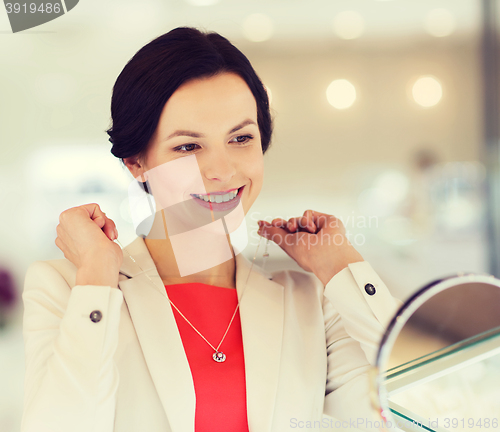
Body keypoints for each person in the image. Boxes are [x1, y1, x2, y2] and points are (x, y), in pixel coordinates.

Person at [21, 27, 401, 432]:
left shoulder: (309, 301)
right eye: (188, 146)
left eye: (240, 138)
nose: (222, 171)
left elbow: (413, 408)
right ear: (136, 163)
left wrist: (343, 267)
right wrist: (97, 274)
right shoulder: (70, 289)